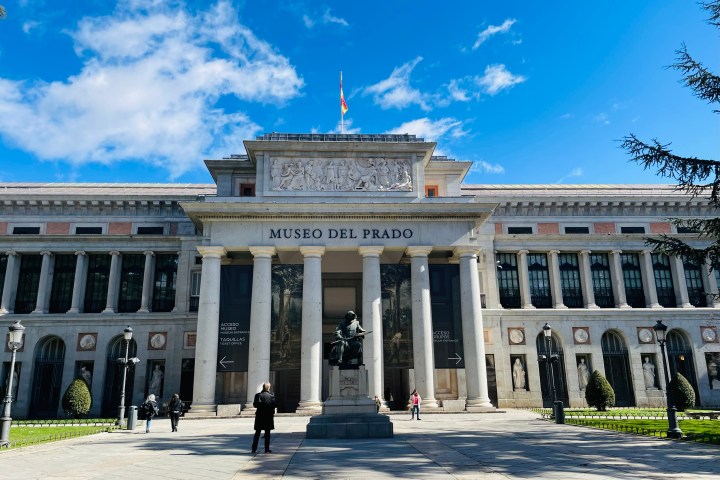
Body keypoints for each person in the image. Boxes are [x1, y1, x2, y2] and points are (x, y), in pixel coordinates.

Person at [252, 382, 277, 454]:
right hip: (268, 416)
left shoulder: (258, 395)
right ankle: (267, 449)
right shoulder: (271, 396)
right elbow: (275, 404)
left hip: (259, 416)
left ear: (263, 387)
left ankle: (254, 448)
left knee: (257, 433)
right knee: (267, 433)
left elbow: (255, 405)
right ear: (269, 387)